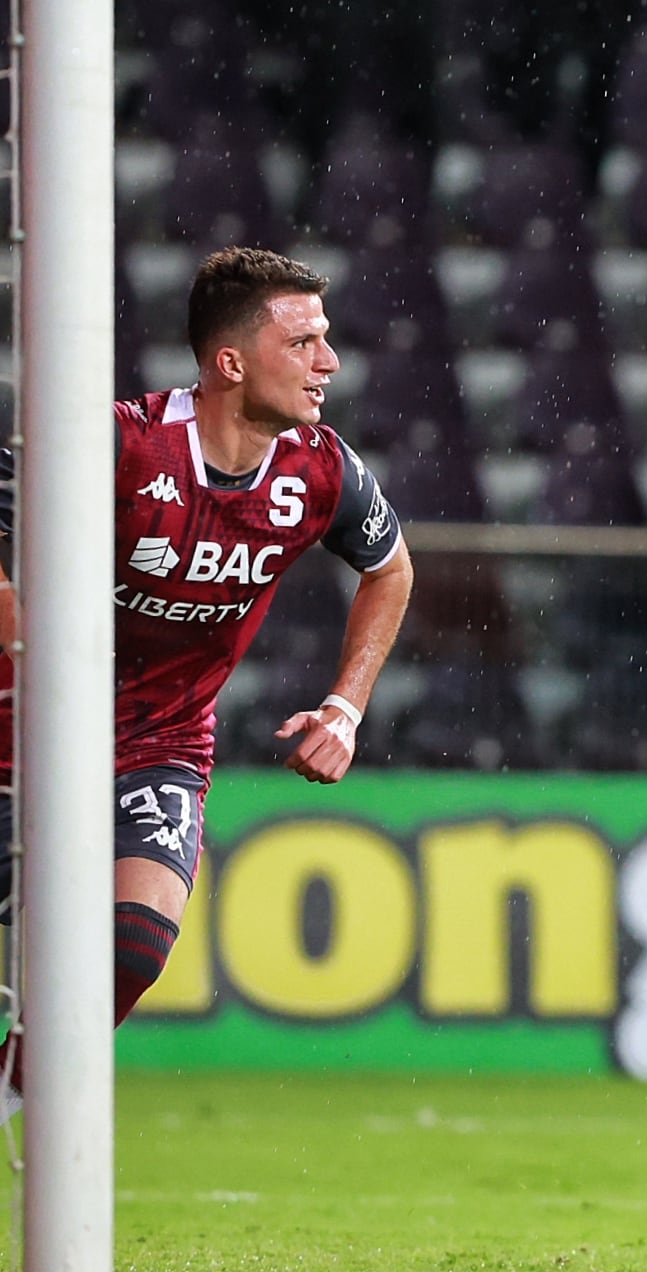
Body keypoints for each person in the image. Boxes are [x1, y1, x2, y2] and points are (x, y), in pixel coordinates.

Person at [0, 246, 414, 1112]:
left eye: (326, 340)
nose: (328, 362)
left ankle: (8, 1100)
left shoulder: (322, 472)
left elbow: (391, 570)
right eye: (303, 343)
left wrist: (346, 706)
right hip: (22, 731)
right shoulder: (120, 441)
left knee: (136, 942)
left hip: (159, 740)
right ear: (231, 361)